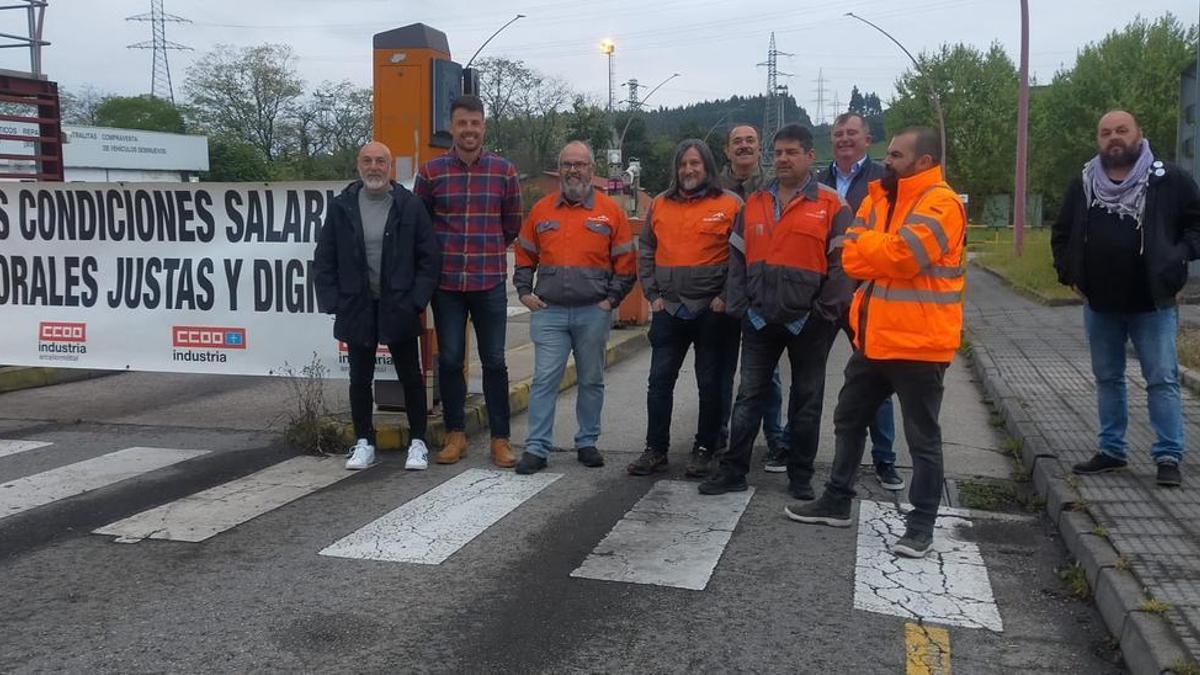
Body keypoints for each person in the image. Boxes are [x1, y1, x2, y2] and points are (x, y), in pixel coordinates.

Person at [786, 127, 967, 559]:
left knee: (922, 439)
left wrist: (876, 248)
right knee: (848, 419)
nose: (888, 161)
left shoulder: (942, 203)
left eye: (897, 155)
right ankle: (836, 499)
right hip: (873, 339)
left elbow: (906, 257)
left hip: (921, 345)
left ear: (923, 162)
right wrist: (878, 248)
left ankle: (921, 524)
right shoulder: (878, 197)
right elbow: (850, 254)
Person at [699, 124, 853, 497]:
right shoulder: (753, 204)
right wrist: (742, 307)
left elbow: (843, 267)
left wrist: (822, 315)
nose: (783, 159)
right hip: (758, 320)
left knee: (807, 401)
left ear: (810, 156)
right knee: (749, 396)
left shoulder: (833, 205)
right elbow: (737, 259)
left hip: (810, 325)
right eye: (779, 153)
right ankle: (733, 471)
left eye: (792, 152)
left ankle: (800, 476)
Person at [1051, 110, 1200, 487]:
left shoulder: (1169, 181)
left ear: (1139, 134)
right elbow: (1062, 232)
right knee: (1107, 378)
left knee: (1162, 379)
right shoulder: (1084, 182)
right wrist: (1069, 273)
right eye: (1105, 133)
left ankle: (1168, 455)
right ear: (1098, 139)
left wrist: (1178, 258)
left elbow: (1196, 225)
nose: (1113, 138)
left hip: (1152, 302)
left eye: (1121, 130)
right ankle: (1112, 451)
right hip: (1100, 304)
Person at [314, 141, 441, 470]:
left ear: (390, 167)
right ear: (358, 165)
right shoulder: (342, 206)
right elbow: (324, 258)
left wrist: (417, 300)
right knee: (359, 378)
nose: (374, 167)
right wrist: (333, 302)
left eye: (380, 161)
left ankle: (418, 442)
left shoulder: (409, 206)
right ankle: (363, 442)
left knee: (411, 377)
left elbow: (429, 259)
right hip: (357, 305)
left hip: (398, 304)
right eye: (368, 161)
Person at [512, 141, 636, 474]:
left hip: (592, 312)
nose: (573, 170)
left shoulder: (611, 212)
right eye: (567, 164)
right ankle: (537, 449)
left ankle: (587, 442)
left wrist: (610, 301)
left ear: (591, 170)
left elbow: (626, 263)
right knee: (544, 381)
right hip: (549, 312)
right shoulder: (541, 211)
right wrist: (523, 291)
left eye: (579, 164)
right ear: (560, 168)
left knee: (592, 380)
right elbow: (524, 254)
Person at [414, 95, 522, 469]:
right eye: (462, 124)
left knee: (495, 362)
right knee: (449, 360)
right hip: (446, 286)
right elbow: (421, 228)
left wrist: (487, 250)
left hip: (489, 279)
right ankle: (455, 435)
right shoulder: (430, 174)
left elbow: (512, 225)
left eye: (475, 123)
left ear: (484, 126)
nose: (469, 130)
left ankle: (500, 440)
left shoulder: (504, 172)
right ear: (452, 127)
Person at [628, 139, 743, 479]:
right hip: (670, 310)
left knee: (710, 384)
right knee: (659, 382)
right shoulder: (660, 204)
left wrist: (725, 296)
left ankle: (706, 448)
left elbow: (741, 259)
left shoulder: (731, 204)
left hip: (712, 311)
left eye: (695, 164)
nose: (689, 170)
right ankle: (655, 450)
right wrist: (653, 295)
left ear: (707, 166)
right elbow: (646, 249)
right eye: (683, 165)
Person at [816, 112, 902, 491]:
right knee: (808, 379)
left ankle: (885, 459)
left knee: (876, 384)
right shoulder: (817, 182)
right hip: (825, 296)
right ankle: (792, 450)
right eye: (838, 134)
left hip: (867, 297)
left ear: (868, 139)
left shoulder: (886, 181)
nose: (844, 139)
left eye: (852, 133)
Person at [718, 123, 790, 471]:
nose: (744, 146)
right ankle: (717, 435)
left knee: (766, 376)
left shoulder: (776, 187)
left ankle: (776, 439)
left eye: (750, 140)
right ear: (726, 150)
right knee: (719, 370)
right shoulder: (713, 188)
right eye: (737, 141)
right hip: (720, 296)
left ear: (759, 148)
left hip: (763, 296)